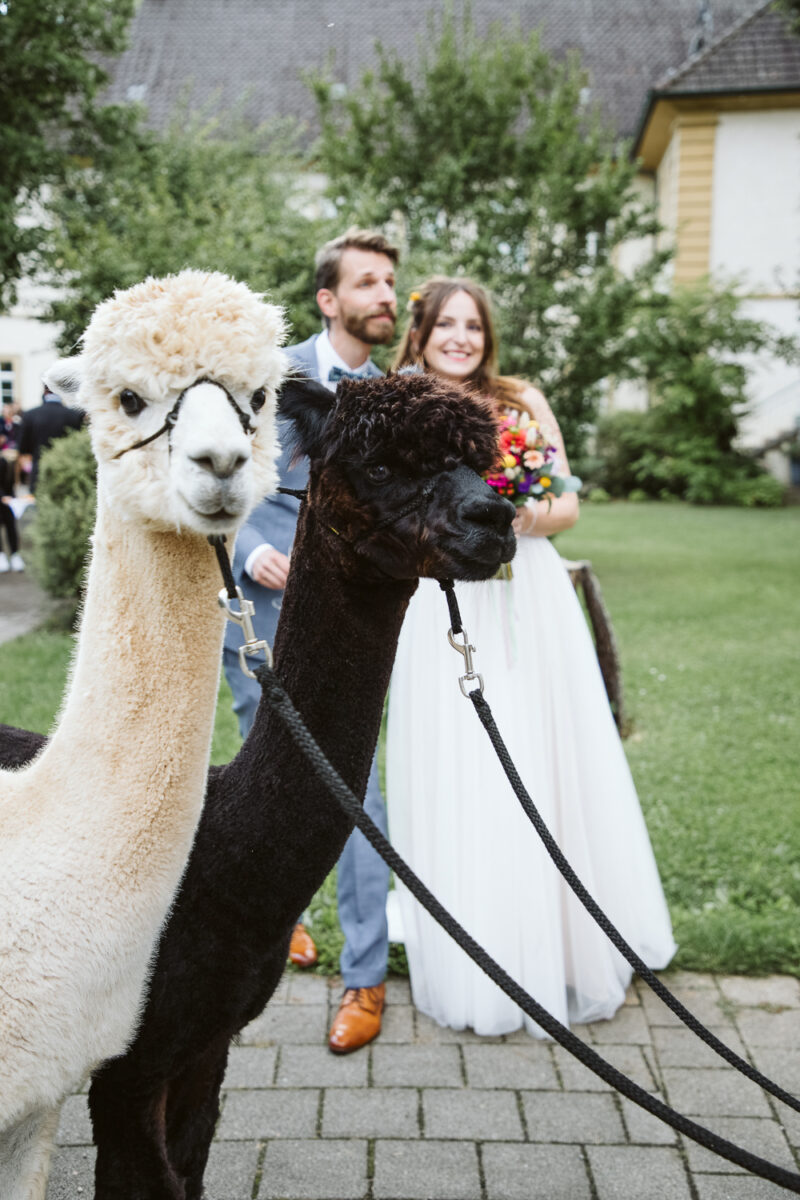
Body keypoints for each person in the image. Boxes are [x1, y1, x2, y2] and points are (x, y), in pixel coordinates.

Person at [385, 277, 676, 1037]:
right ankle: (483, 949)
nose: (460, 337)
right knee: (464, 768)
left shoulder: (520, 402)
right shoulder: (403, 408)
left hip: (526, 597)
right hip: (442, 604)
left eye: (472, 326)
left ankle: (568, 944)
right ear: (419, 333)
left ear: (488, 337)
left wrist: (505, 516)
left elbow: (568, 504)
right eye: (445, 324)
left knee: (542, 758)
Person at [223, 228, 399, 1052]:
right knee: (265, 786)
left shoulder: (393, 396)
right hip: (258, 623)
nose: (386, 296)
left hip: (346, 638)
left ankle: (364, 978)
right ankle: (278, 919)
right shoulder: (264, 377)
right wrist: (250, 546)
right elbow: (210, 478)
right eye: (368, 282)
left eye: (391, 282)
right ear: (329, 299)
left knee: (355, 794)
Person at [18, 385, 84, 493]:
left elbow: (22, 449)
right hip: (66, 472)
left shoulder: (30, 415)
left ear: (44, 391)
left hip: (39, 472)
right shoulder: (73, 416)